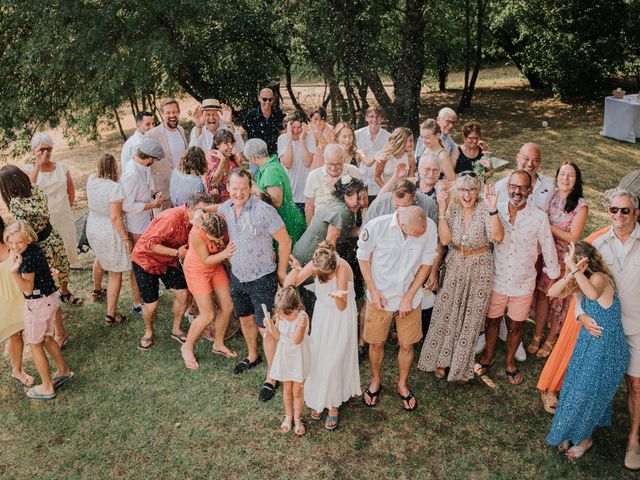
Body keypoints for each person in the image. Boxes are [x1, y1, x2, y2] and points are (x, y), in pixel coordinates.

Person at [568, 189, 640, 470]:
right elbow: (578, 284)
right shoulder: (597, 244)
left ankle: (634, 439)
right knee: (594, 383)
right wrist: (580, 314)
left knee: (635, 386)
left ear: (636, 213)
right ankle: (586, 433)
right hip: (603, 329)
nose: (618, 215)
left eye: (625, 210)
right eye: (614, 210)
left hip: (636, 327)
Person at [546, 241, 629, 460]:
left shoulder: (599, 278)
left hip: (608, 346)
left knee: (588, 393)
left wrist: (574, 268)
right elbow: (551, 291)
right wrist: (569, 273)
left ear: (586, 262)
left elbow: (592, 295)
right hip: (588, 343)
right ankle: (569, 431)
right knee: (574, 387)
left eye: (574, 261)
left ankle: (584, 439)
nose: (571, 266)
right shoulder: (578, 279)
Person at [476, 170, 560, 385]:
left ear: (530, 190)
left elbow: (549, 249)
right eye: (514, 186)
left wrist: (553, 277)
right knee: (492, 321)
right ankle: (487, 357)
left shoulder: (539, 217)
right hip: (497, 279)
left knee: (516, 326)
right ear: (507, 187)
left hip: (523, 283)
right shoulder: (496, 211)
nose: (517, 191)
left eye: (523, 187)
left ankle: (510, 362)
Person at [417, 175, 503, 382]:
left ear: (478, 190)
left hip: (480, 266)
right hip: (456, 263)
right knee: (446, 311)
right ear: (458, 191)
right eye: (463, 190)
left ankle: (460, 365)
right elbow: (446, 240)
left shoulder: (485, 208)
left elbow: (498, 237)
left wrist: (493, 210)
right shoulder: (452, 208)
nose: (467, 195)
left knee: (471, 317)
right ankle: (440, 360)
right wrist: (443, 208)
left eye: (472, 190)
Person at [217, 168, 292, 402]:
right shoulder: (225, 208)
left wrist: (280, 270)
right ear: (228, 188)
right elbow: (214, 209)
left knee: (267, 328)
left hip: (262, 278)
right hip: (238, 275)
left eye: (244, 189)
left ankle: (272, 376)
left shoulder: (264, 210)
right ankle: (252, 355)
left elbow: (285, 241)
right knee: (245, 319)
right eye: (235, 188)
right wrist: (198, 212)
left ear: (251, 188)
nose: (239, 193)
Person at [357, 206, 438, 411]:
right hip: (380, 298)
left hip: (411, 298)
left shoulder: (429, 228)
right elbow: (363, 258)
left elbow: (426, 264)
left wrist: (409, 296)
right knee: (376, 343)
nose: (420, 236)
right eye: (414, 234)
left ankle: (402, 384)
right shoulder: (376, 227)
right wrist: (373, 291)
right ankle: (376, 381)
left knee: (407, 345)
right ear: (402, 224)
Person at [286, 242, 361, 430]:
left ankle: (333, 406)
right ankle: (319, 398)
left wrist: (339, 298)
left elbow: (343, 307)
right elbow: (290, 285)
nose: (322, 278)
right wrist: (295, 271)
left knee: (335, 360)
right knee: (319, 358)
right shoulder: (318, 261)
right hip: (322, 316)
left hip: (340, 316)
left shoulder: (342, 269)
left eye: (325, 276)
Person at [0, 165, 73, 346]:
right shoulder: (36, 189)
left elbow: (22, 233)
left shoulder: (17, 203)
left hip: (38, 247)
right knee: (54, 285)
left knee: (46, 290)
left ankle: (59, 332)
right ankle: (58, 330)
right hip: (52, 238)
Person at [130, 193, 213, 350]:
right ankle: (148, 331)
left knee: (183, 294)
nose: (204, 216)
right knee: (151, 305)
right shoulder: (170, 218)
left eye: (207, 211)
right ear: (189, 208)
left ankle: (176, 329)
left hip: (169, 260)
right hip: (145, 260)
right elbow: (150, 245)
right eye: (201, 211)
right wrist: (176, 253)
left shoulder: (196, 222)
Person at [5, 221, 74, 400]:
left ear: (28, 238)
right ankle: (63, 370)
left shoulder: (25, 259)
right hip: (50, 299)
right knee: (46, 337)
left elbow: (27, 289)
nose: (14, 246)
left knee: (35, 344)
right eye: (10, 242)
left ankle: (46, 386)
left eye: (19, 242)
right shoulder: (35, 250)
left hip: (37, 304)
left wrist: (14, 273)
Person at [529, 162, 588, 358]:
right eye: (562, 174)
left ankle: (551, 337)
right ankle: (537, 334)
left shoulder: (580, 205)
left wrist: (546, 225)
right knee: (542, 295)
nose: (565, 178)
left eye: (570, 175)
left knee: (557, 299)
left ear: (576, 180)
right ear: (557, 176)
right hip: (544, 253)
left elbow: (574, 237)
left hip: (564, 257)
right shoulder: (551, 195)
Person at [181, 212, 237, 369]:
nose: (219, 242)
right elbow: (205, 260)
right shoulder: (197, 234)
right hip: (198, 269)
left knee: (227, 307)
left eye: (221, 238)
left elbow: (214, 207)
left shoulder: (221, 222)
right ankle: (187, 347)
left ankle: (218, 344)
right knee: (208, 315)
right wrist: (225, 253)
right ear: (206, 231)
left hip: (216, 266)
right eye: (214, 240)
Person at [86, 154, 134, 325]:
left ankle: (96, 290)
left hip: (93, 225)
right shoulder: (114, 188)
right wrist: (126, 238)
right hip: (108, 230)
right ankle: (111, 315)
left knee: (99, 257)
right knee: (115, 272)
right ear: (114, 168)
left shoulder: (91, 179)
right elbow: (115, 217)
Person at [24, 132, 78, 267]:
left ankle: (65, 288)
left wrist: (68, 208)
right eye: (42, 149)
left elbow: (70, 191)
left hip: (64, 217)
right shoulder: (28, 170)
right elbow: (29, 191)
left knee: (65, 254)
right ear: (34, 150)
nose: (46, 152)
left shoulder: (62, 167)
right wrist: (38, 166)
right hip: (44, 221)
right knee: (50, 259)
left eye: (49, 149)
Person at [265, 286, 311, 436]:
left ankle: (298, 418)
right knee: (287, 390)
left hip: (297, 357)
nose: (286, 317)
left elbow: (297, 340)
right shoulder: (281, 316)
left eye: (289, 314)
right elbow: (278, 336)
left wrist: (301, 325)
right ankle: (288, 416)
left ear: (297, 306)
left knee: (297, 390)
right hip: (285, 356)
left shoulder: (302, 317)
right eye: (283, 314)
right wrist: (271, 326)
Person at [247, 138, 307, 245]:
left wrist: (253, 185)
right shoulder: (268, 167)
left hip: (286, 223)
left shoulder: (271, 170)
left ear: (252, 158)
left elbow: (276, 202)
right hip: (283, 222)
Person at [0, 217, 32, 387]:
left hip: (16, 297)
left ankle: (17, 370)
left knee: (16, 334)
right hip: (0, 301)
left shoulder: (11, 243)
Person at [146, 98, 188, 209]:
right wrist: (154, 191)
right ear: (162, 114)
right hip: (164, 194)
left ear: (178, 112)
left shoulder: (181, 130)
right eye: (168, 112)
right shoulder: (152, 135)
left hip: (182, 189)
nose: (172, 115)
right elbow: (145, 165)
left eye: (174, 112)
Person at [303, 144, 361, 224]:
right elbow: (309, 207)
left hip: (346, 223)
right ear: (325, 160)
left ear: (344, 160)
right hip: (321, 223)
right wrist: (310, 228)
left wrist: (341, 183)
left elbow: (361, 199)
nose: (333, 168)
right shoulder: (314, 176)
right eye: (330, 164)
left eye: (337, 164)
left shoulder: (353, 171)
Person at [494, 142, 554, 211]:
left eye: (535, 160)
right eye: (526, 159)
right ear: (517, 158)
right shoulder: (501, 186)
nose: (530, 164)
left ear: (540, 161)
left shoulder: (549, 185)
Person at [278, 110, 315, 214]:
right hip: (289, 193)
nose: (296, 131)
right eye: (293, 127)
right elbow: (288, 164)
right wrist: (289, 139)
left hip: (306, 193)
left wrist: (302, 140)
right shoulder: (282, 139)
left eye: (299, 127)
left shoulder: (309, 138)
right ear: (288, 127)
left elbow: (307, 162)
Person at [365, 177, 438, 226]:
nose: (400, 210)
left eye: (404, 206)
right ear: (392, 195)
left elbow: (436, 241)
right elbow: (364, 233)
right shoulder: (379, 204)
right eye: (396, 205)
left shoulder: (429, 205)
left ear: (414, 196)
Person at [355, 106, 390, 201]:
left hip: (378, 184)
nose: (374, 119)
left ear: (382, 119)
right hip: (361, 180)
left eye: (378, 117)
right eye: (371, 116)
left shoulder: (388, 137)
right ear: (366, 118)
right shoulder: (357, 135)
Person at [240, 87, 285, 155]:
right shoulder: (251, 115)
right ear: (259, 98)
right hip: (255, 155)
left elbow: (283, 132)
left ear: (273, 99)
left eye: (270, 99)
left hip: (273, 155)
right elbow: (241, 133)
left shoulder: (277, 113)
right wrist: (241, 150)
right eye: (264, 99)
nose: (267, 102)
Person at [205, 129, 240, 204]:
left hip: (232, 200)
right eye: (227, 144)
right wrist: (223, 161)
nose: (231, 147)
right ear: (217, 145)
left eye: (232, 143)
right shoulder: (212, 156)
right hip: (219, 205)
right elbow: (214, 182)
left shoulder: (230, 156)